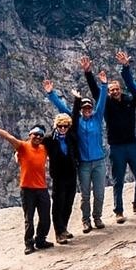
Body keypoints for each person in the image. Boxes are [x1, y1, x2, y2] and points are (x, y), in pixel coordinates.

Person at [0, 114, 56, 253]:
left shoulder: (44, 149)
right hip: (27, 189)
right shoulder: (23, 146)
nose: (38, 137)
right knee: (29, 218)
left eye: (40, 135)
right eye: (36, 134)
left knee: (45, 217)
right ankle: (29, 243)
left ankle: (40, 240)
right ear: (30, 135)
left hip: (42, 188)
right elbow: (9, 137)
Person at [41, 73, 102, 236]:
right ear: (56, 126)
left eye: (65, 126)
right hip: (58, 176)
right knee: (58, 203)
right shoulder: (49, 139)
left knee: (68, 202)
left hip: (71, 174)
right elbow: (32, 144)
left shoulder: (71, 136)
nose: (62, 128)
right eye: (60, 126)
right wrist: (51, 94)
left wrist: (77, 100)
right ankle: (58, 231)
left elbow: (74, 115)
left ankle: (64, 228)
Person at [102, 53, 136, 218]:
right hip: (116, 147)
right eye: (112, 90)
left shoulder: (130, 101)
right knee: (118, 181)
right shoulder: (106, 105)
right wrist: (88, 74)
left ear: (120, 89)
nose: (115, 92)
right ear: (108, 92)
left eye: (116, 89)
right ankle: (119, 211)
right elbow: (97, 93)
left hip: (131, 145)